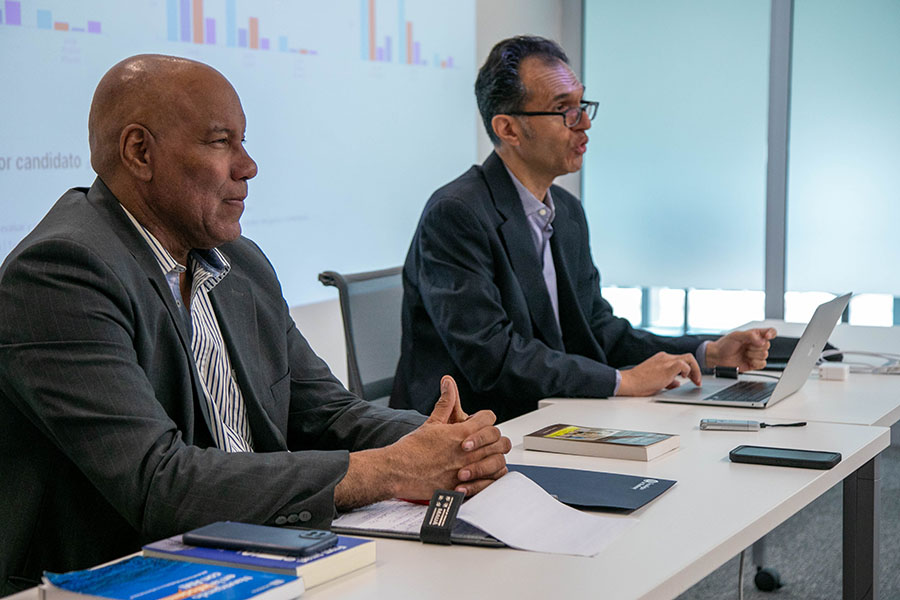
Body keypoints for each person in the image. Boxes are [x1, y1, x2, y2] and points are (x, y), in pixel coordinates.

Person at [0, 54, 510, 594]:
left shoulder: (240, 262)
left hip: (252, 554)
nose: (248, 166)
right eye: (221, 142)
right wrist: (390, 470)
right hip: (118, 574)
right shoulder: (62, 272)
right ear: (139, 152)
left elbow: (327, 413)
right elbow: (160, 485)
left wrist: (449, 446)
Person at [391, 36, 776, 422]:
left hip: (552, 413)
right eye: (564, 110)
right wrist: (621, 382)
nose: (585, 123)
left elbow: (597, 328)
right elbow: (493, 358)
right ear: (508, 128)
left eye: (582, 105)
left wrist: (705, 353)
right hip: (475, 430)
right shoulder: (456, 214)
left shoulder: (567, 211)